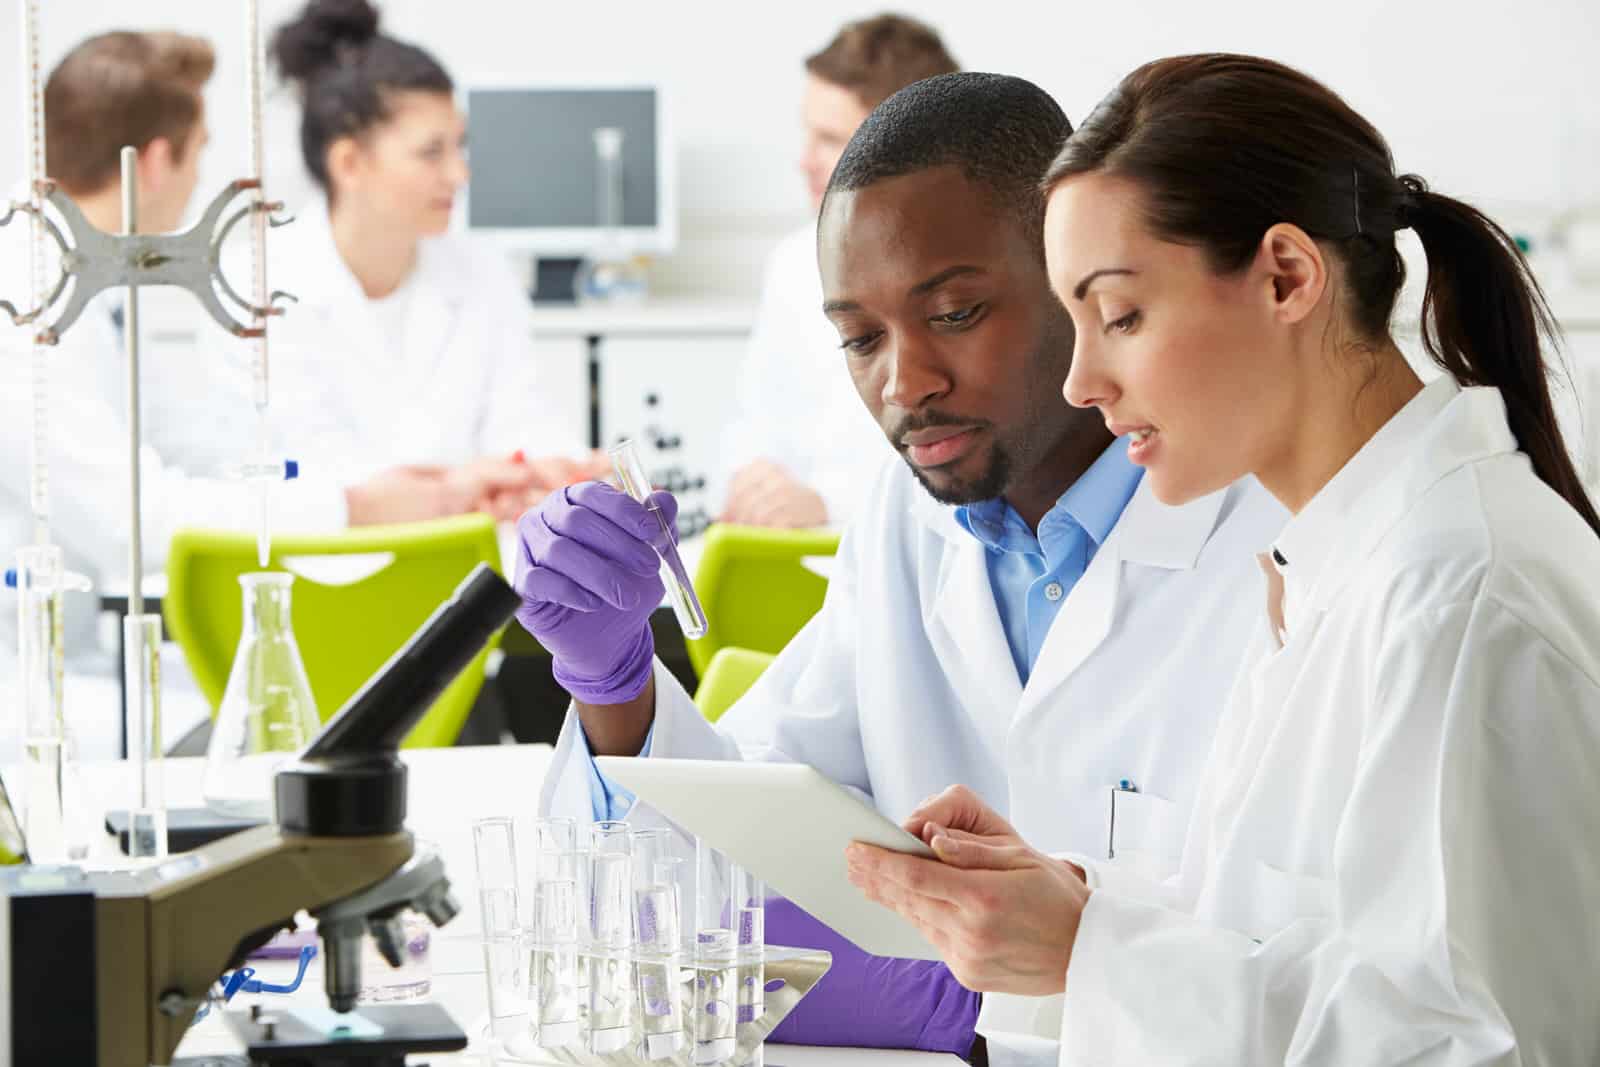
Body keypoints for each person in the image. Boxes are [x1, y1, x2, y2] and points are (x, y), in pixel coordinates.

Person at [846, 54, 1600, 1065]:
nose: (1080, 381)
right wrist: (1074, 908)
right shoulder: (1335, 562)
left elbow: (1493, 1044)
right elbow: (1291, 940)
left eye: (1119, 316)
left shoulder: (1458, 591)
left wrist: (1092, 951)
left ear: (1286, 276)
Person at [518, 73, 1286, 1063]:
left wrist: (1038, 987)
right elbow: (728, 856)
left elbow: (1354, 981)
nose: (903, 382)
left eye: (957, 312)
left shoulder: (1268, 541)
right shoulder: (909, 520)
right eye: (858, 336)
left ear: (1080, 279)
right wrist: (612, 681)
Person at [0, 31, 527, 750]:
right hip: (32, 683)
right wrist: (357, 504)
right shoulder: (27, 307)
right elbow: (135, 521)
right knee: (290, 742)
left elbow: (198, 443)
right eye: (201, 149)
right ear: (155, 161)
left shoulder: (92, 293)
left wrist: (398, 489)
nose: (200, 180)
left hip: (86, 658)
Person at [261, 0, 598, 514]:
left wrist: (554, 468)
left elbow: (524, 415)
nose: (460, 175)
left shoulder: (482, 271)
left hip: (473, 571)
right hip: (325, 577)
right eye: (431, 152)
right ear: (349, 163)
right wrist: (458, 488)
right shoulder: (261, 285)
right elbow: (299, 473)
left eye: (459, 147)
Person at [716, 14, 958, 529]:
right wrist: (750, 480)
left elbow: (961, 470)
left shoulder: (965, 279)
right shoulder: (792, 264)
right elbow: (755, 425)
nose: (805, 161)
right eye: (808, 134)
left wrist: (830, 508)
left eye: (829, 139)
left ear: (903, 149)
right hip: (783, 552)